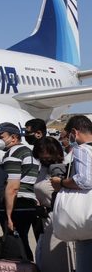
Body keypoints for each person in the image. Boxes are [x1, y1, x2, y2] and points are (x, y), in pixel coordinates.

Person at [0, 122, 41, 261]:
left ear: (13, 138)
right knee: (23, 242)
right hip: (29, 202)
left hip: (16, 204)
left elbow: (12, 187)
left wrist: (9, 216)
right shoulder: (27, 151)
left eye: (1, 136)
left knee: (16, 246)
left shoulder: (13, 154)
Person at [51, 115, 92, 270]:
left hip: (87, 219)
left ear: (74, 132)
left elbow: (84, 180)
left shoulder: (82, 149)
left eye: (69, 136)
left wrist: (60, 182)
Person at [32, 137, 71, 272]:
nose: (43, 157)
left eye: (46, 153)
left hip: (59, 220)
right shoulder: (43, 168)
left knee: (56, 262)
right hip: (45, 220)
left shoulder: (63, 169)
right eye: (40, 153)